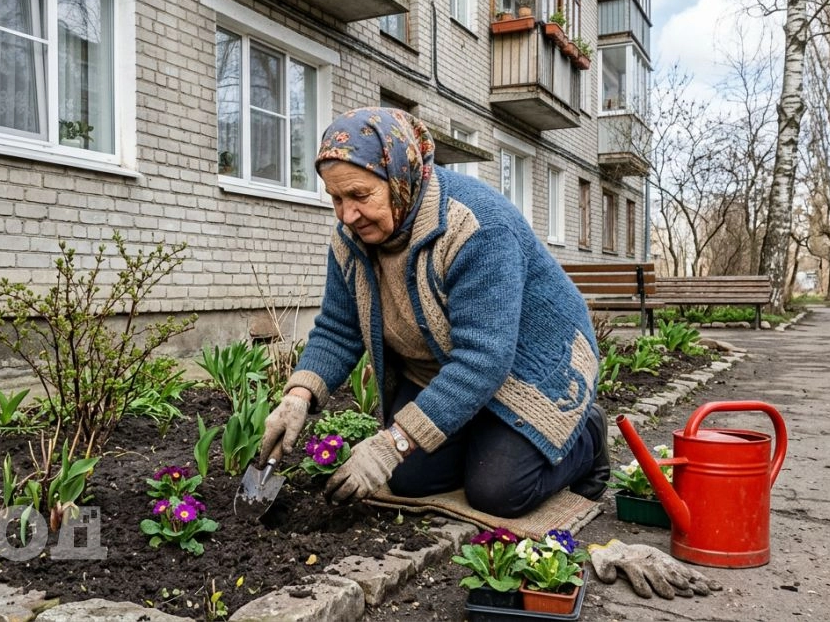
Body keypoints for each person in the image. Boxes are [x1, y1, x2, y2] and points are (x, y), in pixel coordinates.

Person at [256, 107, 609, 518]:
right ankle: (483, 436)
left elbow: (483, 360)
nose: (347, 215)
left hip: (528, 370)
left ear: (398, 177)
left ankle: (589, 437)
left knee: (499, 491)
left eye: (360, 195)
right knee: (411, 478)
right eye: (336, 198)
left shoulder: (476, 227)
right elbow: (338, 328)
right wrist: (298, 396)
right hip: (443, 369)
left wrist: (394, 442)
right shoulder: (350, 240)